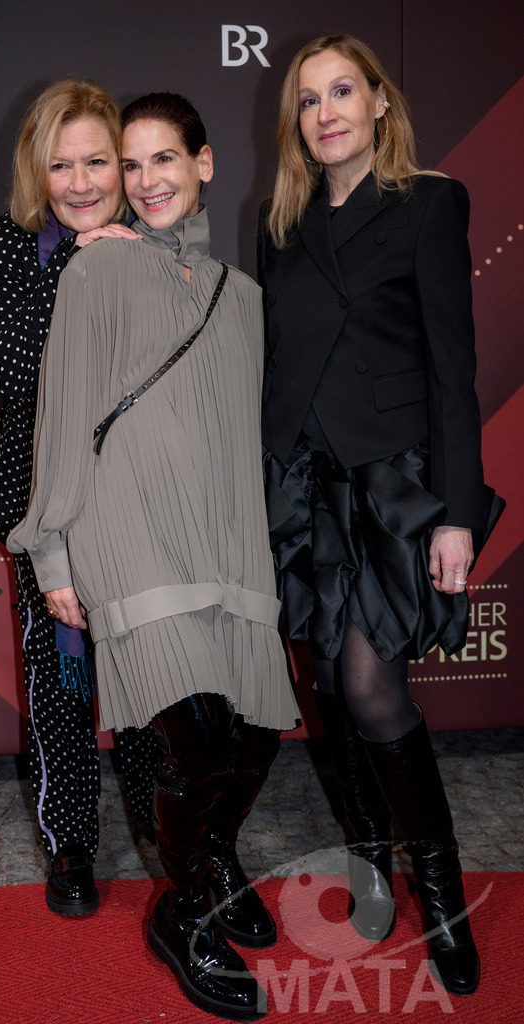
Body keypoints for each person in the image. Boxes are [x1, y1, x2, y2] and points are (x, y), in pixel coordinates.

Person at [9, 92, 299, 1021]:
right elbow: (62, 422)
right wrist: (53, 553)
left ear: (204, 164)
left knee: (252, 733)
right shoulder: (94, 275)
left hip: (227, 534)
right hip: (129, 531)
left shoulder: (244, 295)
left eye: (161, 160)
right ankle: (185, 913)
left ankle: (210, 858)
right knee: (188, 734)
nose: (144, 182)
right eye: (129, 167)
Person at [259, 34, 503, 997]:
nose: (325, 112)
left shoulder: (429, 202)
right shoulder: (276, 220)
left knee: (369, 686)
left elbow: (454, 364)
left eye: (342, 92)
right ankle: (367, 857)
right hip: (304, 484)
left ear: (379, 105)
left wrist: (452, 514)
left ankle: (438, 890)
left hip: (395, 483)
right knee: (323, 682)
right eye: (308, 100)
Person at [0, 79, 156, 918]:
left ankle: (163, 829)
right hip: (45, 500)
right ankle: (71, 844)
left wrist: (129, 261)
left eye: (97, 162)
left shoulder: (161, 242)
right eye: (60, 165)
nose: (80, 183)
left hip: (145, 497)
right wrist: (84, 269)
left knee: (149, 673)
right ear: (34, 170)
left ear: (124, 166)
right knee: (60, 680)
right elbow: (16, 375)